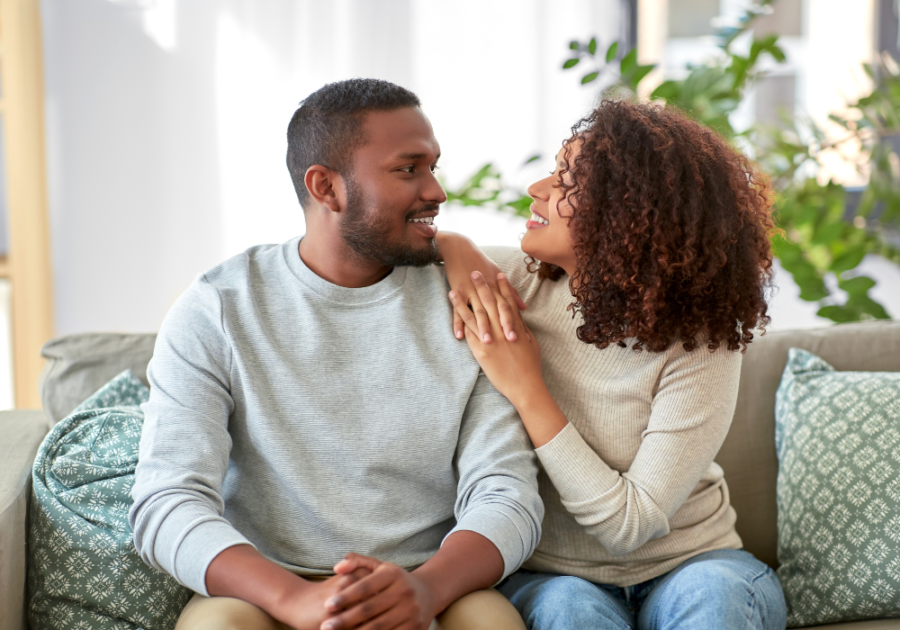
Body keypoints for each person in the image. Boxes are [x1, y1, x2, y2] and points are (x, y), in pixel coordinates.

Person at [129, 78, 543, 630]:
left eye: (433, 167)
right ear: (326, 188)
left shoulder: (468, 301)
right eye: (407, 169)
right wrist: (295, 599)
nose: (437, 191)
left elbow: (506, 491)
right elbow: (166, 502)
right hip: (266, 592)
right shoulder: (218, 309)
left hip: (431, 584)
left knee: (491, 622)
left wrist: (423, 588)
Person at [436, 99, 788, 629]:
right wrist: (454, 243)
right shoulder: (513, 286)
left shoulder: (700, 342)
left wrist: (526, 388)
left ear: (628, 211)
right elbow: (409, 245)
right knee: (567, 609)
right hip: (555, 578)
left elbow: (633, 523)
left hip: (694, 566)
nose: (538, 190)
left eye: (566, 181)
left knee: (713, 598)